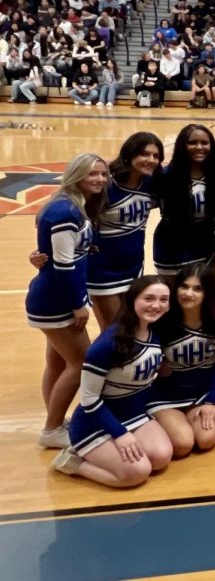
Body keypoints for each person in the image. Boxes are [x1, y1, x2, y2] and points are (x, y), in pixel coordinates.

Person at [50, 275, 174, 486]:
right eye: (149, 298)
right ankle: (73, 462)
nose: (156, 305)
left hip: (133, 415)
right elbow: (89, 400)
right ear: (133, 299)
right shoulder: (106, 345)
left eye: (163, 300)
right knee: (136, 473)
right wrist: (120, 434)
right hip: (95, 422)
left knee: (161, 457)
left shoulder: (156, 332)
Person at [25, 153, 108, 449]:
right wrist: (78, 304)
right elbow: (62, 265)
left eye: (102, 174)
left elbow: (61, 254)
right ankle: (51, 430)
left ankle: (55, 420)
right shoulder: (65, 212)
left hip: (54, 295)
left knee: (57, 361)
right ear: (76, 176)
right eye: (92, 174)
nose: (98, 179)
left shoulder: (74, 206)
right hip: (56, 300)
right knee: (81, 362)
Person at [146, 261, 215, 458]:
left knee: (205, 440)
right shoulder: (163, 320)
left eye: (197, 289)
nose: (188, 293)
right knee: (182, 445)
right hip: (166, 395)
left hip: (203, 394)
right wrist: (156, 367)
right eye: (184, 286)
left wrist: (211, 402)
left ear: (208, 293)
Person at [88, 133, 162, 328]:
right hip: (103, 270)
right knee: (113, 331)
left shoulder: (151, 183)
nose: (151, 160)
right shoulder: (107, 184)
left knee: (130, 326)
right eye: (144, 154)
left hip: (133, 267)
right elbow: (69, 204)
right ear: (130, 154)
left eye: (156, 156)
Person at [152, 124, 215, 280]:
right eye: (193, 142)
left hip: (206, 243)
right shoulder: (166, 176)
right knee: (176, 299)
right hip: (172, 245)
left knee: (209, 296)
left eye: (204, 143)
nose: (199, 147)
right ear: (182, 145)